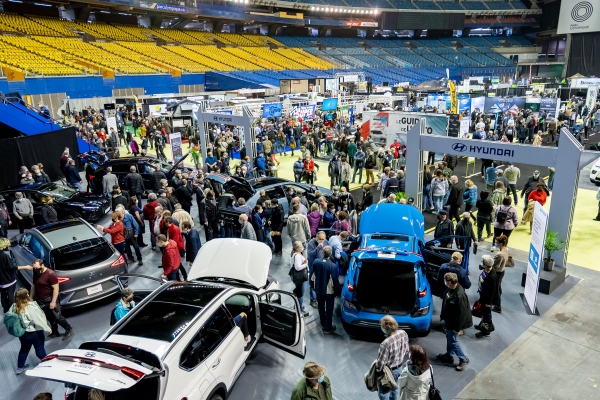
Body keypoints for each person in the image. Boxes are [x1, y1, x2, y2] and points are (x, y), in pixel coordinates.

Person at [10, 288, 51, 375]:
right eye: (27, 294)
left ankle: (20, 368)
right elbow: (36, 320)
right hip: (34, 332)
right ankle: (47, 364)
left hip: (22, 333)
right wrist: (47, 328)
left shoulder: (14, 306)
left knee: (24, 349)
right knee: (39, 348)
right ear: (25, 297)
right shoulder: (29, 307)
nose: (29, 295)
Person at [30, 259, 74, 341]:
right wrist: (31, 297)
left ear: (42, 265)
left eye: (37, 268)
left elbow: (56, 288)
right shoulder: (36, 272)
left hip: (49, 299)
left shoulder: (50, 274)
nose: (35, 270)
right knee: (49, 317)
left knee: (57, 317)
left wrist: (53, 302)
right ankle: (54, 332)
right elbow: (34, 285)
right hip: (40, 300)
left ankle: (68, 329)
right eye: (34, 268)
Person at [437, 272, 472, 371]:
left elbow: (462, 314)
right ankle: (449, 356)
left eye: (445, 281)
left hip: (454, 323)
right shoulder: (450, 289)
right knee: (449, 338)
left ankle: (464, 359)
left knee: (453, 340)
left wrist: (457, 328)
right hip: (449, 320)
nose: (444, 282)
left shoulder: (459, 295)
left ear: (449, 282)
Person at [376, 315, 409, 400]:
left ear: (386, 328)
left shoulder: (386, 344)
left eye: (382, 326)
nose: (381, 327)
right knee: (395, 388)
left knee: (384, 393)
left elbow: (380, 364)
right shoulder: (403, 333)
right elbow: (407, 350)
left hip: (388, 372)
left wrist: (376, 372)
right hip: (399, 368)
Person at [311, 246, 340, 334]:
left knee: (320, 306)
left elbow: (312, 275)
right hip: (329, 291)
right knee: (329, 308)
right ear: (330, 254)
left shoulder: (316, 261)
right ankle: (327, 328)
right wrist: (337, 292)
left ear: (322, 253)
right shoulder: (332, 266)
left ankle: (323, 323)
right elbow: (335, 280)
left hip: (318, 289)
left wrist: (312, 286)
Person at [0, 238, 33, 312]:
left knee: (3, 295)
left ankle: (5, 310)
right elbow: (12, 267)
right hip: (8, 279)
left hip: (1, 281)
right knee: (10, 294)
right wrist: (25, 267)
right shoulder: (4, 256)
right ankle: (12, 310)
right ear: (4, 246)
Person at [475, 255, 499, 338]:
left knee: (487, 314)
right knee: (484, 313)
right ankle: (482, 325)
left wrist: (488, 303)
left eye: (483, 262)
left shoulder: (491, 277)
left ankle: (486, 331)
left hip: (487, 299)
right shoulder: (486, 270)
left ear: (486, 264)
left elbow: (492, 291)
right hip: (483, 295)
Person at [290, 241, 310, 317]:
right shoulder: (298, 256)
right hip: (300, 278)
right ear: (298, 248)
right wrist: (306, 264)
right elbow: (298, 267)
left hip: (297, 278)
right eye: (301, 246)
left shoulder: (295, 254)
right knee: (301, 294)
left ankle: (297, 306)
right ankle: (300, 310)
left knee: (299, 292)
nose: (302, 248)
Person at [492, 235, 509, 313]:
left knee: (496, 290)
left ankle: (498, 307)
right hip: (502, 271)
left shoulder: (500, 254)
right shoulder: (505, 250)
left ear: (501, 243)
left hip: (497, 273)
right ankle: (495, 302)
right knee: (498, 288)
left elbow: (495, 264)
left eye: (497, 243)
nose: (496, 244)